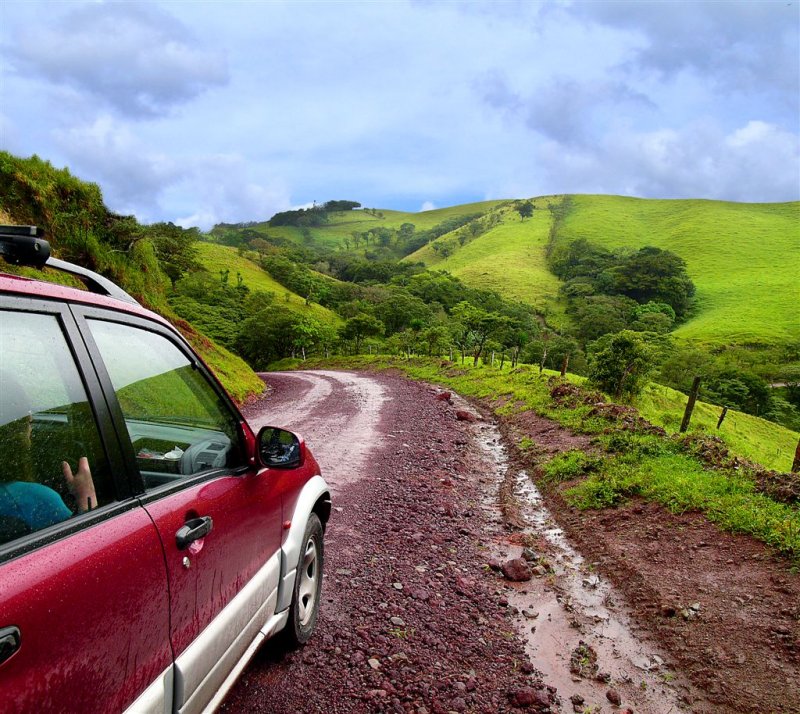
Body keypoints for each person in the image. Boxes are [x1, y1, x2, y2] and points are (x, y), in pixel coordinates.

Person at [0, 372, 96, 543]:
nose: (31, 421)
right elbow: (86, 547)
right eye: (28, 419)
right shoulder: (36, 500)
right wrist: (87, 498)